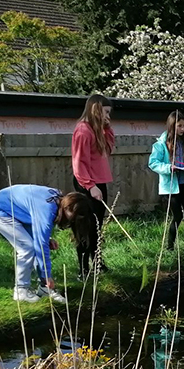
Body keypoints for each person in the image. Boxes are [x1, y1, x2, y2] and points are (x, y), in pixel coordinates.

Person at [0, 186, 97, 303]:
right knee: (27, 248)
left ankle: (44, 289)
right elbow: (41, 246)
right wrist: (46, 275)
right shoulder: (47, 210)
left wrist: (46, 239)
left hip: (19, 210)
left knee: (34, 245)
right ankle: (21, 291)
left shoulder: (57, 201)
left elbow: (40, 233)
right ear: (68, 208)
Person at [70, 94, 115, 277]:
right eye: (105, 112)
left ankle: (97, 262)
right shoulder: (83, 131)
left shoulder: (98, 130)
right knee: (84, 227)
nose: (107, 115)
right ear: (96, 109)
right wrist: (90, 186)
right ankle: (83, 269)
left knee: (97, 226)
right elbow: (79, 162)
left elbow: (108, 149)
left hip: (99, 182)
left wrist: (107, 128)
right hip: (87, 184)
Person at [148, 110, 184, 251]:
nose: (182, 129)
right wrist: (168, 167)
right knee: (177, 216)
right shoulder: (161, 144)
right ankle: (170, 247)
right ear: (172, 126)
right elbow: (153, 163)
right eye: (179, 126)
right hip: (171, 186)